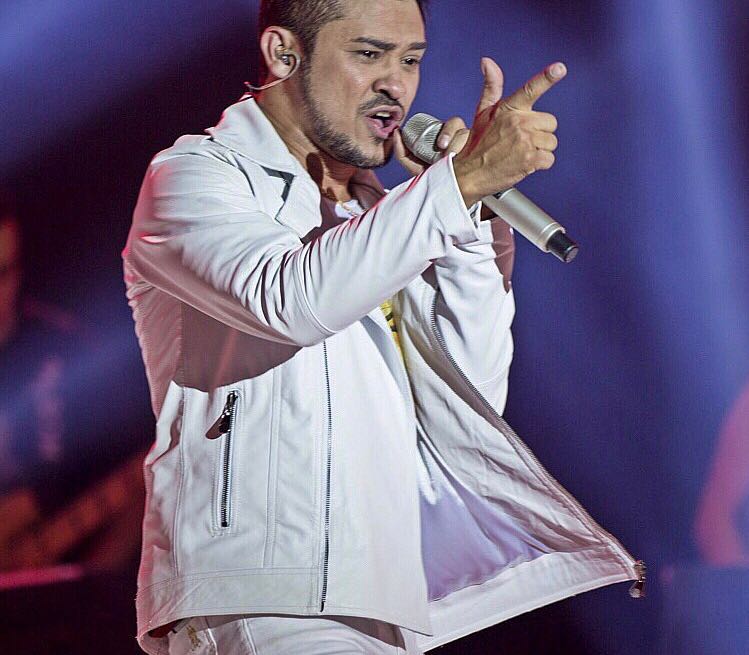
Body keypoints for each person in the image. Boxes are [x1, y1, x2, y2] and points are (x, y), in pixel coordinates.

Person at [124, 1, 643, 653]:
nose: (395, 84)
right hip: (265, 594)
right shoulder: (197, 176)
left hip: (383, 600)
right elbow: (292, 299)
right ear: (284, 53)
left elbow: (472, 393)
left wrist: (467, 219)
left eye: (411, 60)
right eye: (368, 54)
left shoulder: (386, 213)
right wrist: (455, 186)